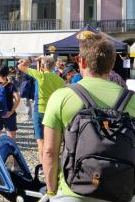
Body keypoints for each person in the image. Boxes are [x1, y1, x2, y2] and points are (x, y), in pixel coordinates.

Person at [42, 33, 135, 201]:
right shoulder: (132, 100)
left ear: (81, 61)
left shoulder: (61, 97)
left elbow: (49, 152)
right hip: (122, 192)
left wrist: (51, 191)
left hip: (74, 191)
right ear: (112, 63)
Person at [18, 56, 65, 164]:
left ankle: (43, 167)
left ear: (43, 66)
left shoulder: (40, 75)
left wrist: (32, 59)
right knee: (53, 142)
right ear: (54, 66)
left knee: (41, 142)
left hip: (39, 110)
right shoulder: (60, 80)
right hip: (53, 112)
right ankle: (53, 165)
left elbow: (21, 66)